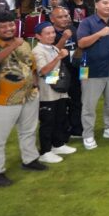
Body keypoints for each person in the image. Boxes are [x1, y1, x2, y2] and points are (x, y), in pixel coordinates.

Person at [0, 12, 46, 186]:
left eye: (10, 25)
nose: (8, 29)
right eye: (3, 26)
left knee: (29, 130)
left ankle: (30, 159)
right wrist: (12, 46)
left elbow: (32, 65)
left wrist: (36, 85)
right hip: (4, 100)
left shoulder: (24, 43)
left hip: (30, 95)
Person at [76, 0, 109, 150]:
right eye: (104, 3)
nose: (108, 6)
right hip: (90, 71)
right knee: (89, 105)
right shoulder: (87, 22)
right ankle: (88, 135)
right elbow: (81, 43)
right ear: (96, 5)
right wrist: (99, 34)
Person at [32, 22, 76, 163]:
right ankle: (45, 151)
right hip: (47, 92)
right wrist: (58, 57)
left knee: (60, 118)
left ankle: (58, 144)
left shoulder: (53, 48)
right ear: (38, 36)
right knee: (48, 122)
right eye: (47, 33)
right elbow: (43, 71)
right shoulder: (37, 51)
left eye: (52, 32)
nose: (51, 35)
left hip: (59, 89)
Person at [49, 6, 82, 138]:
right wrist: (63, 38)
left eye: (66, 16)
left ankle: (76, 129)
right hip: (54, 72)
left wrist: (83, 71)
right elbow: (49, 54)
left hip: (74, 70)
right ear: (52, 19)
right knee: (55, 102)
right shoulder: (48, 32)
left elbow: (80, 48)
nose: (64, 19)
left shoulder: (73, 29)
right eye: (60, 17)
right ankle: (59, 133)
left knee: (77, 100)